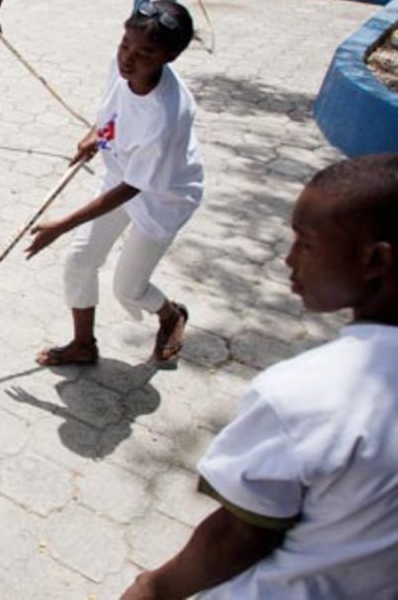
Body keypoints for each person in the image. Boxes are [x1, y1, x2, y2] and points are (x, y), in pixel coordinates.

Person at [122, 153, 398, 600]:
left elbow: (237, 539)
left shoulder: (309, 395)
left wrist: (153, 588)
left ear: (375, 261)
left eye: (305, 244)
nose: (288, 260)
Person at [25, 0, 202, 368]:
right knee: (80, 262)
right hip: (123, 174)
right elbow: (112, 110)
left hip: (160, 197)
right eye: (125, 45)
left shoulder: (167, 117)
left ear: (169, 57)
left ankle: (170, 315)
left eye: (144, 54)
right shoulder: (122, 68)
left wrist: (59, 226)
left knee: (129, 289)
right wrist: (96, 133)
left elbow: (132, 188)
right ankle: (83, 345)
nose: (128, 59)